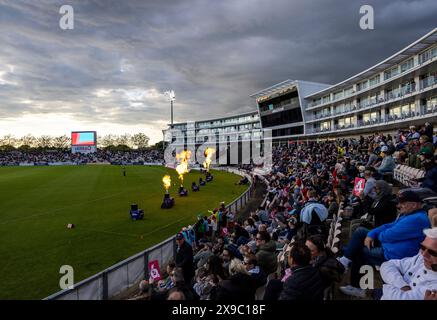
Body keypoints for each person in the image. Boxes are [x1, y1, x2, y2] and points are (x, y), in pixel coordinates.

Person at [338, 189, 431, 298]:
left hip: (395, 254)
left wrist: (377, 236)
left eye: (402, 203)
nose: (398, 206)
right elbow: (388, 226)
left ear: (414, 205)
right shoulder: (408, 214)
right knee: (360, 232)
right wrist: (371, 234)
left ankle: (352, 277)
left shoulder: (417, 219)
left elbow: (387, 236)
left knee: (359, 252)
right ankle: (346, 262)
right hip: (390, 247)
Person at [380, 228, 437, 300]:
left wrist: (387, 286)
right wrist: (402, 285)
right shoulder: (420, 258)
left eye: (433, 252)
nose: (424, 254)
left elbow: (398, 298)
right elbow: (387, 265)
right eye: (422, 247)